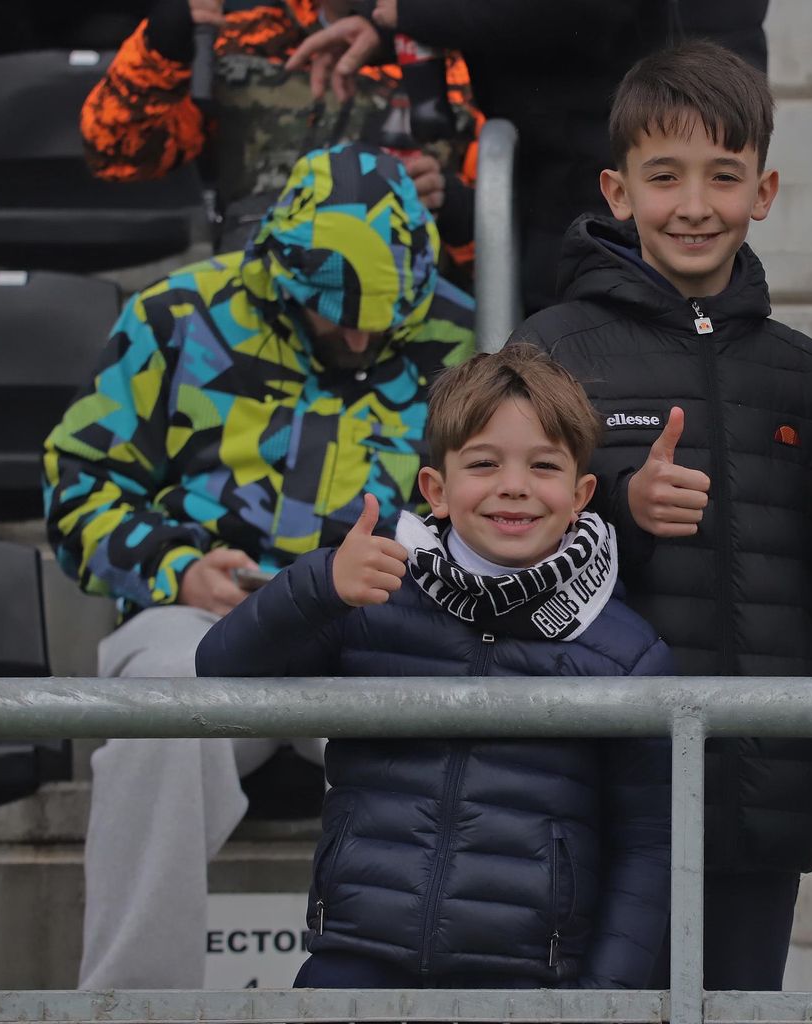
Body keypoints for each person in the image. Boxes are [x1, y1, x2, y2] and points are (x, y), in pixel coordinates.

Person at [43, 143, 475, 989]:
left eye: (379, 319)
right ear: (281, 273)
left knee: (452, 727)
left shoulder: (453, 335)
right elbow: (78, 484)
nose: (358, 336)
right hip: (202, 614)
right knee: (155, 714)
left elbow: (490, 513)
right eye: (335, 315)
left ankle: (425, 1000)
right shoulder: (175, 317)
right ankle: (133, 1004)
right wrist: (176, 566)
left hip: (373, 631)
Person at [517, 41, 812, 991]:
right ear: (617, 189)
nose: (693, 205)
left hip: (765, 795)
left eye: (723, 177)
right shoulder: (553, 349)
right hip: (597, 795)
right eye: (664, 175)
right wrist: (624, 515)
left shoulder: (811, 377)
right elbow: (490, 550)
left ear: (762, 193)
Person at [196, 343, 675, 989]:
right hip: (356, 956)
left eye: (543, 465)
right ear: (436, 489)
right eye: (483, 463)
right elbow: (220, 674)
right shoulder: (368, 593)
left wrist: (606, 998)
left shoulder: (626, 651)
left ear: (580, 494)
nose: (514, 486)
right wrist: (314, 586)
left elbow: (650, 844)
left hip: (531, 980)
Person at [284, 0, 768, 314]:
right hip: (569, 169)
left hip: (631, 158)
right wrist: (389, 29)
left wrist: (415, 13)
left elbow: (588, 13)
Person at [79, 0, 482, 257]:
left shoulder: (466, 53)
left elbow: (511, 251)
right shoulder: (237, 34)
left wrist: (458, 209)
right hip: (251, 287)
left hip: (403, 300)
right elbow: (117, 155)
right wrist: (160, 47)